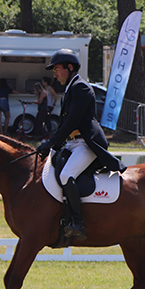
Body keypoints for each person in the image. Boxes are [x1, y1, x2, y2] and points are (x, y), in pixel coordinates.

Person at [36, 49, 126, 240]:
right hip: (71, 144)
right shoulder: (68, 89)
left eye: (57, 69)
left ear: (70, 67)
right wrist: (51, 145)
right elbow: (64, 123)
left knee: (67, 174)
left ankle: (77, 223)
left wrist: (52, 142)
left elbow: (72, 121)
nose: (55, 73)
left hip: (86, 144)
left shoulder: (81, 88)